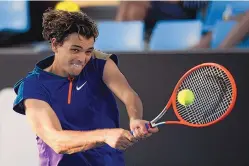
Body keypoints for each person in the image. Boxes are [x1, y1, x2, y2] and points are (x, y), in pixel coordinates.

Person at [12, 9, 158, 166]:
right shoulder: (32, 86)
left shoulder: (99, 62)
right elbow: (56, 140)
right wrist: (105, 135)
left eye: (88, 51)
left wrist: (135, 117)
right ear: (55, 44)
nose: (82, 58)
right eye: (75, 49)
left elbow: (128, 94)